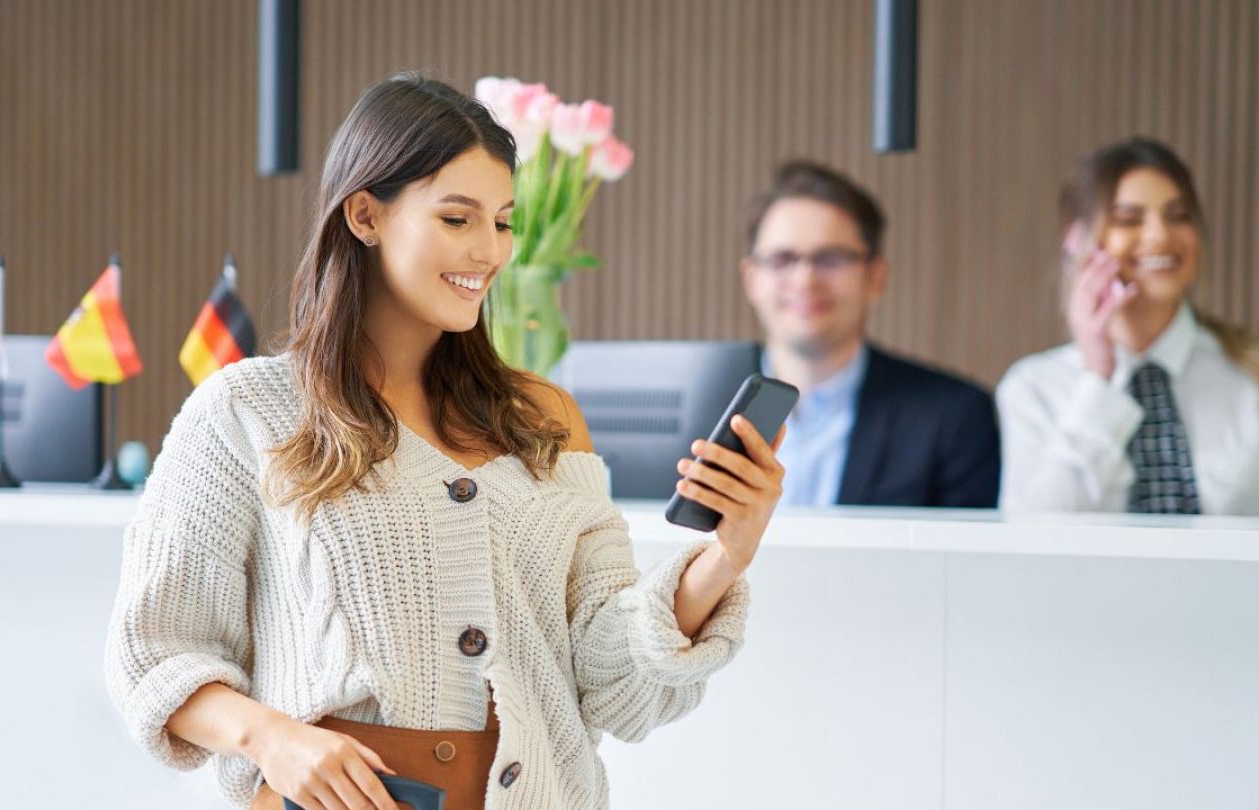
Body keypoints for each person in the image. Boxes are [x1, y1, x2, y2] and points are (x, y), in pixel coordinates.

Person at [103, 75, 787, 810]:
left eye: (502, 221)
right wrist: (273, 738)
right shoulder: (246, 412)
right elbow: (155, 654)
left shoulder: (543, 419)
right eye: (457, 219)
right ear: (366, 215)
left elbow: (609, 679)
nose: (488, 251)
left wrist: (726, 556)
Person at [997, 136, 1259, 514]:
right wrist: (1098, 378)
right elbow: (1032, 538)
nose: (1159, 236)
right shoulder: (1033, 389)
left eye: (1178, 215)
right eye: (1129, 219)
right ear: (1077, 240)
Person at [740, 160, 1000, 508]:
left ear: (875, 277)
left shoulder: (953, 417)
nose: (805, 280)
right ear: (751, 278)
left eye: (830, 258)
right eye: (783, 259)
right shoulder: (701, 407)